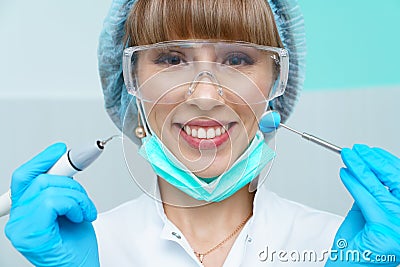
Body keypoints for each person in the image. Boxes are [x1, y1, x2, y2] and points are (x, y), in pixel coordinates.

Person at [4, 0, 400, 266]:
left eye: (238, 59)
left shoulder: (340, 248)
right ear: (129, 82)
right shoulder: (91, 251)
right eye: (172, 58)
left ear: (275, 86)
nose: (207, 95)